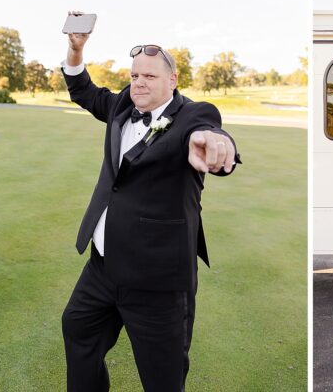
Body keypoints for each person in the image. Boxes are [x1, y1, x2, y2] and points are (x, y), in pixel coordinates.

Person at [60, 21, 239, 391]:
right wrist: (76, 51)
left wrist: (215, 143)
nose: (139, 82)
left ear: (172, 80)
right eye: (134, 75)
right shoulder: (122, 105)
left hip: (156, 280)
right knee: (77, 329)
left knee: (163, 378)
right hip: (102, 269)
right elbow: (82, 90)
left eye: (150, 76)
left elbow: (209, 132)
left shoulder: (193, 114)